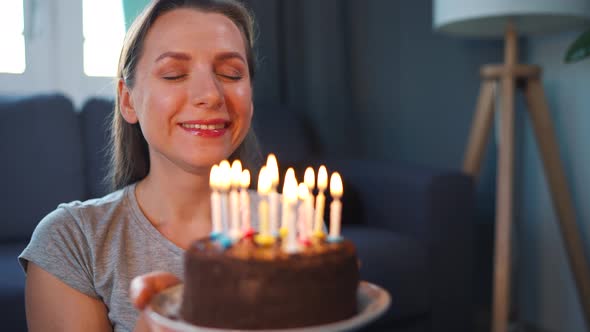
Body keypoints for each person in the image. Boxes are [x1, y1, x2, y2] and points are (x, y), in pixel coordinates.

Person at [19, 0, 261, 331]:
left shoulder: (296, 228)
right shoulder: (71, 241)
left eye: (231, 73)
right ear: (128, 100)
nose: (211, 95)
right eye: (175, 74)